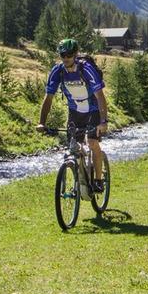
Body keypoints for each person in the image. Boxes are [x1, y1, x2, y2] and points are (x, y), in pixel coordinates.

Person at [36, 38, 109, 193]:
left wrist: (103, 121)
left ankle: (98, 180)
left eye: (69, 55)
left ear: (75, 54)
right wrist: (41, 122)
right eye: (63, 55)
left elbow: (100, 96)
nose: (66, 58)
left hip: (93, 110)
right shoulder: (58, 71)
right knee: (73, 147)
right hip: (75, 111)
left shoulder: (86, 69)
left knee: (92, 142)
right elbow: (48, 98)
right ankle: (79, 181)